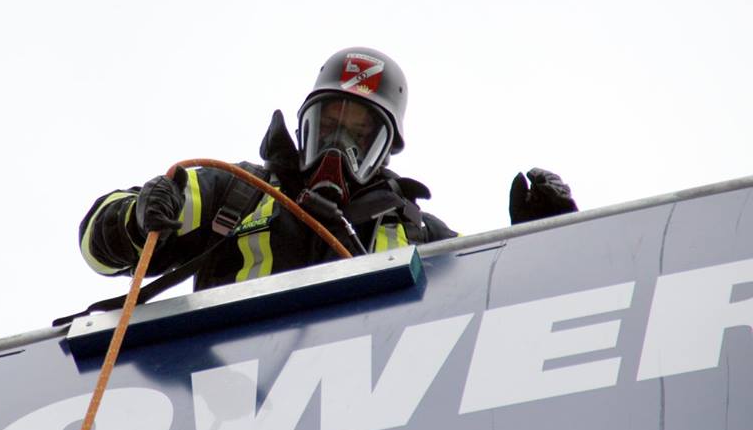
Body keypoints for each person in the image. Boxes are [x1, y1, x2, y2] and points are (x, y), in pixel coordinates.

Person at [79, 47, 576, 292]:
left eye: (359, 136)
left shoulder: (417, 233)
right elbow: (100, 247)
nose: (338, 150)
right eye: (329, 126)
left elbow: (498, 305)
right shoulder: (237, 192)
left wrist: (545, 243)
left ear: (384, 151)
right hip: (223, 410)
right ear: (305, 128)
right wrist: (136, 216)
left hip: (355, 424)